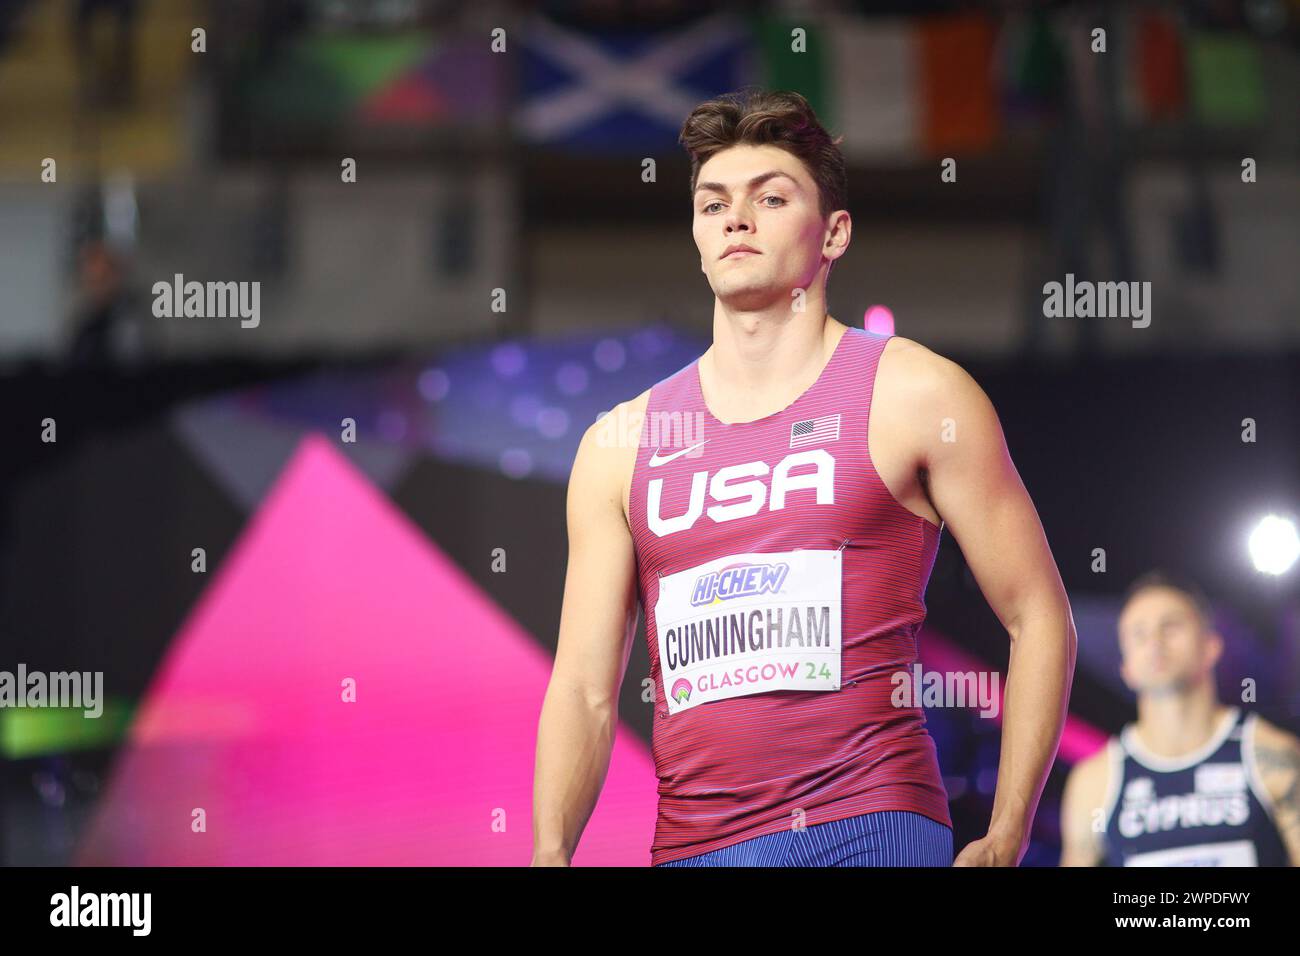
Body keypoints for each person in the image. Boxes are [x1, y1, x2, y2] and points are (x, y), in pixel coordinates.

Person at [532, 88, 1076, 867]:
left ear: (835, 233)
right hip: (693, 847)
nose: (736, 219)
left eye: (771, 197)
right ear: (696, 234)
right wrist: (549, 853)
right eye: (712, 203)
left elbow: (1038, 615)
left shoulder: (917, 396)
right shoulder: (620, 444)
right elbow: (583, 687)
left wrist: (1009, 829)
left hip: (870, 824)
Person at [1060, 571, 1299, 866]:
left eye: (1170, 626)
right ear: (1126, 668)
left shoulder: (1271, 755)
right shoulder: (1095, 780)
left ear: (1211, 647)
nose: (1155, 642)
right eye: (1139, 633)